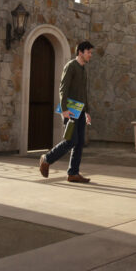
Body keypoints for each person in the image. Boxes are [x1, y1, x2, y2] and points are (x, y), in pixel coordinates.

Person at [40, 40, 94, 183]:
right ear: (80, 52)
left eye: (91, 53)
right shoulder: (71, 67)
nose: (90, 55)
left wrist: (87, 111)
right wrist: (64, 110)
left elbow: (83, 93)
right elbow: (63, 89)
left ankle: (73, 173)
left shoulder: (83, 70)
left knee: (79, 142)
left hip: (81, 112)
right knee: (71, 141)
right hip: (70, 111)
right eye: (89, 52)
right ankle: (47, 159)